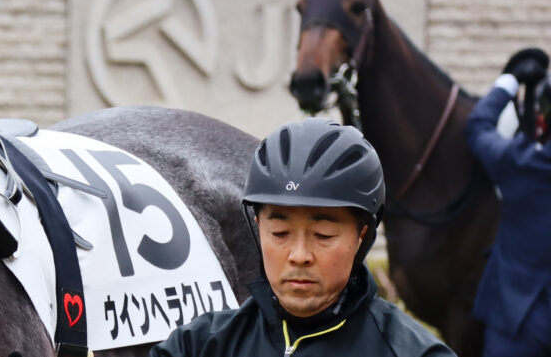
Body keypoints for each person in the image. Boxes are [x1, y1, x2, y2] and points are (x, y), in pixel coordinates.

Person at [151, 118, 453, 356]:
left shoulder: (412, 351)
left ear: (362, 235)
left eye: (322, 235)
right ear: (257, 226)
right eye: (280, 233)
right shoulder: (199, 345)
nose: (298, 255)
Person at [465, 48, 551, 357]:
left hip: (517, 326)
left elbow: (478, 126)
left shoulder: (519, 163)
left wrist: (510, 80)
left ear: (541, 121)